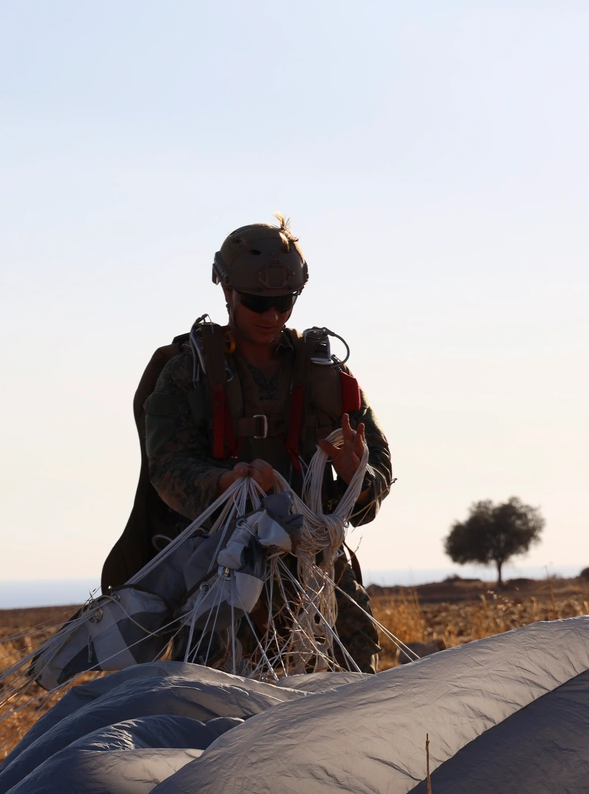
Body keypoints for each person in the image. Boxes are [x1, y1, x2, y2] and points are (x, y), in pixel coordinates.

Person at [101, 216, 393, 671]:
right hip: (224, 572)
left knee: (354, 699)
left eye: (284, 303)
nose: (272, 316)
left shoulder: (325, 376)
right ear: (227, 293)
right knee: (211, 708)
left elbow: (376, 476)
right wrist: (224, 483)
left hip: (317, 574)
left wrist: (359, 477)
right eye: (258, 303)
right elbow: (168, 468)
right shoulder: (187, 372)